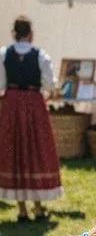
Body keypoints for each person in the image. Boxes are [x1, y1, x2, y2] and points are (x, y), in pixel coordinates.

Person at [0, 16, 63, 222]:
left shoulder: (4, 54)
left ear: (14, 34)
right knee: (36, 150)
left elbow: (1, 83)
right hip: (34, 105)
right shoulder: (40, 55)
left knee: (15, 149)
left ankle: (22, 210)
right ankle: (37, 207)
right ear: (30, 34)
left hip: (11, 105)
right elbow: (50, 83)